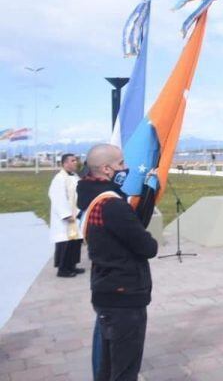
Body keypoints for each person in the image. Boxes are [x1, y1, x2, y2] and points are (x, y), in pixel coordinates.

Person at [78, 144, 158, 380]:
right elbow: (148, 247)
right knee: (124, 369)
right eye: (121, 163)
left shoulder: (90, 196)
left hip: (107, 290)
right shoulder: (112, 206)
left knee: (107, 365)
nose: (126, 167)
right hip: (124, 296)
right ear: (106, 169)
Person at [48, 153, 84, 277]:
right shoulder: (59, 178)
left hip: (76, 215)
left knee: (75, 242)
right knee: (65, 243)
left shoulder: (75, 176)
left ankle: (72, 265)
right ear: (65, 163)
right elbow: (57, 198)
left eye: (76, 160)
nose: (75, 162)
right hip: (66, 218)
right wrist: (66, 214)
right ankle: (63, 269)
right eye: (72, 160)